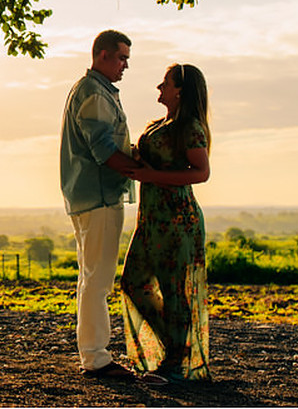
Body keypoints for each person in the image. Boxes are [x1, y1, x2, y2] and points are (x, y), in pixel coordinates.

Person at [59, 30, 148, 380]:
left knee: (90, 279)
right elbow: (103, 150)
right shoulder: (94, 94)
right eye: (122, 57)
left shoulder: (94, 91)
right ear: (102, 55)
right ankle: (96, 358)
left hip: (89, 196)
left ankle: (92, 353)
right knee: (99, 282)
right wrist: (145, 172)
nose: (126, 65)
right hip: (99, 197)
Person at [121, 63, 213, 383]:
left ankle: (176, 360)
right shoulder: (161, 124)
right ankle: (178, 344)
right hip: (151, 220)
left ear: (180, 91)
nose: (159, 88)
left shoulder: (189, 127)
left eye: (165, 83)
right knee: (133, 283)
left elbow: (201, 173)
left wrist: (151, 176)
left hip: (177, 221)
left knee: (175, 292)